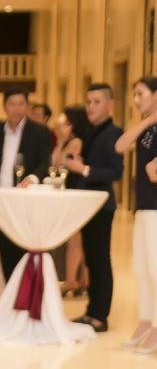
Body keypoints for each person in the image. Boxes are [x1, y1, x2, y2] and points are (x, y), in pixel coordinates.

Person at [67, 82, 124, 333]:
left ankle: (101, 316)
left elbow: (116, 172)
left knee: (100, 259)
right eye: (89, 102)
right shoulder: (91, 131)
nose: (91, 107)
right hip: (87, 205)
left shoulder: (114, 133)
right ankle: (92, 312)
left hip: (102, 206)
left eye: (97, 102)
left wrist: (85, 169)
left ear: (110, 104)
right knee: (90, 258)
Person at [0, 87, 52, 280]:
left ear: (27, 106)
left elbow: (45, 162)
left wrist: (34, 177)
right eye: (12, 104)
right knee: (4, 249)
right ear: (4, 106)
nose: (16, 108)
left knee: (22, 250)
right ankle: (10, 290)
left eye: (21, 104)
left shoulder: (39, 131)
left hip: (24, 199)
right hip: (0, 199)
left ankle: (25, 293)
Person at [115, 77, 157, 352]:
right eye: (134, 94)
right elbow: (120, 146)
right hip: (143, 206)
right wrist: (149, 120)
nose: (136, 99)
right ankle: (145, 320)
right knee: (142, 269)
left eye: (141, 93)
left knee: (155, 269)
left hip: (156, 208)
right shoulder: (147, 127)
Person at [51, 104, 90, 296]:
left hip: (77, 192)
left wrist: (61, 140)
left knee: (75, 239)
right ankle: (83, 280)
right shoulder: (75, 140)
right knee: (80, 239)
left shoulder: (75, 142)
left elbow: (57, 162)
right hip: (76, 191)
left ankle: (70, 281)